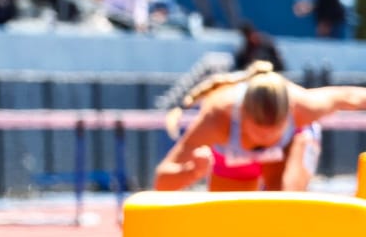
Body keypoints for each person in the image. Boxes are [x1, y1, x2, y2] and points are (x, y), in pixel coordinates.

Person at [155, 63, 366, 193]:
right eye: (258, 132)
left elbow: (350, 97)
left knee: (283, 210)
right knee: (228, 224)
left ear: (288, 115)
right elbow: (162, 181)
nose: (265, 142)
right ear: (242, 116)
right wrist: (192, 172)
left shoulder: (302, 107)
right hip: (232, 158)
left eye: (274, 133)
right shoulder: (218, 118)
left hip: (288, 152)